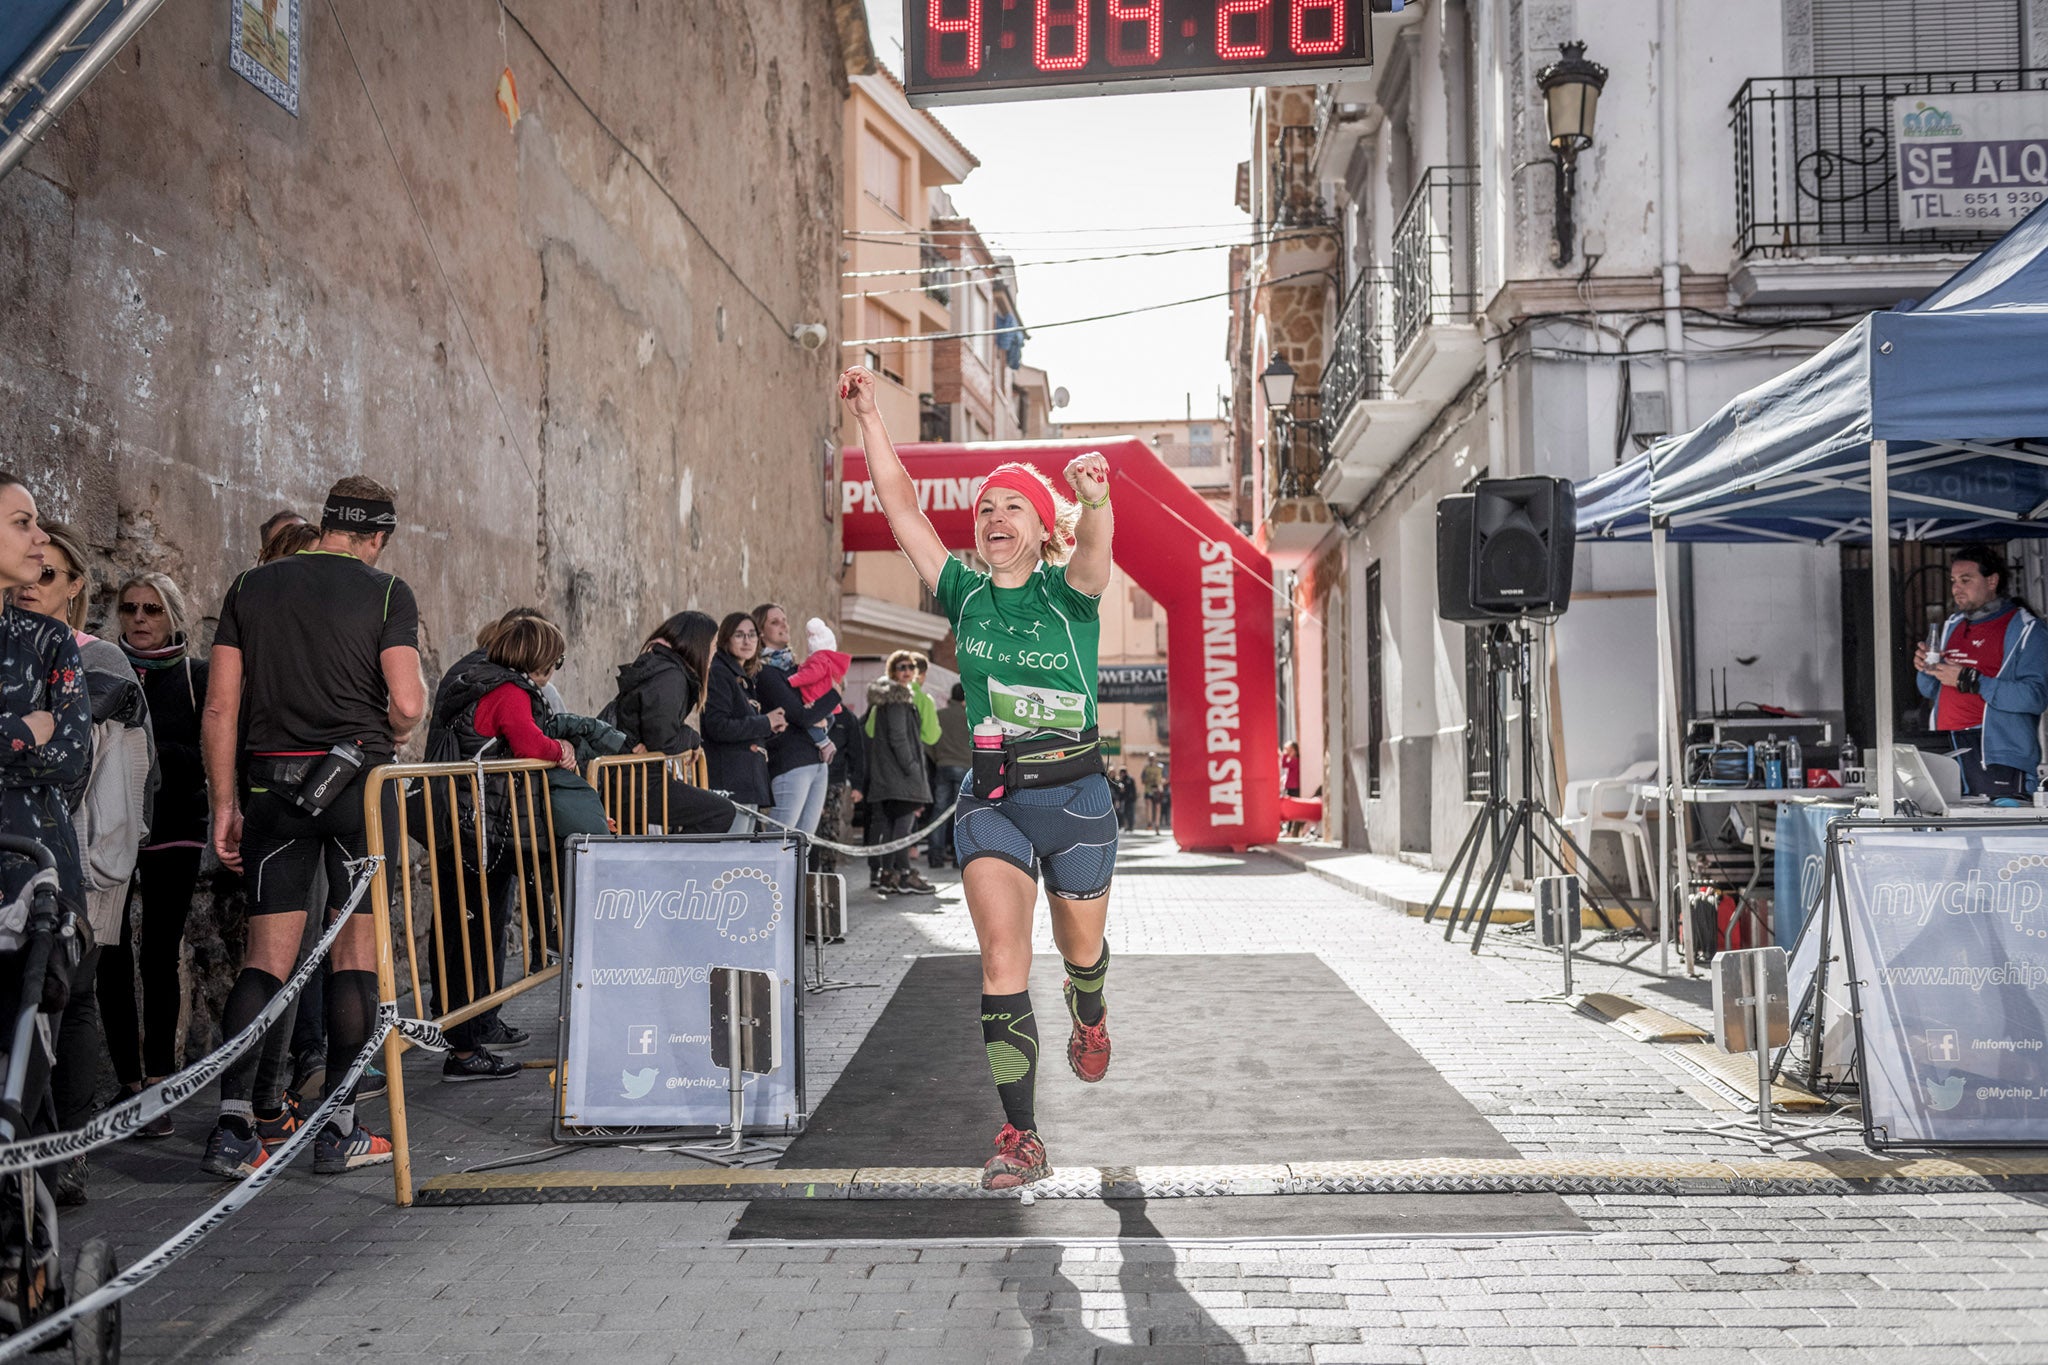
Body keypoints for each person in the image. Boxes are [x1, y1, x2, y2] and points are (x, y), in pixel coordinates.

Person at [842, 365, 1117, 1191]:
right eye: (986, 508)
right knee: (1003, 958)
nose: (996, 517)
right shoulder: (962, 593)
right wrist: (868, 417)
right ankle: (1022, 1136)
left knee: (1082, 953)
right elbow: (901, 509)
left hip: (1075, 799)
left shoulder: (1070, 595)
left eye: (1013, 507)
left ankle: (1091, 1009)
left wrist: (1095, 499)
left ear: (1041, 526)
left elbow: (1099, 556)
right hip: (992, 801)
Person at [200, 475, 426, 1178]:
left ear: (326, 523)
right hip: (358, 787)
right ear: (377, 537)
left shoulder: (250, 586)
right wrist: (381, 725)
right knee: (353, 954)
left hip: (273, 785)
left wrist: (224, 804)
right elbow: (410, 702)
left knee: (265, 956)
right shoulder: (387, 592)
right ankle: (339, 1128)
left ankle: (234, 1127)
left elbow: (219, 708)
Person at [15, 521, 149, 1204]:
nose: (35, 586)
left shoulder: (99, 660)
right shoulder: (22, 647)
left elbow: (112, 779)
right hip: (26, 852)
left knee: (74, 996)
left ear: (74, 589)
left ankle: (67, 1151)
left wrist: (102, 871)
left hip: (86, 855)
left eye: (51, 576)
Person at [106, 571, 209, 1139]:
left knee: (159, 954)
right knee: (111, 955)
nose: (140, 619)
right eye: (129, 609)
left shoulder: (196, 678)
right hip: (114, 832)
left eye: (151, 609)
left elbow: (206, 749)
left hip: (175, 826)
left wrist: (143, 746)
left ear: (172, 615)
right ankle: (127, 1082)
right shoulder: (103, 668)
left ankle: (160, 1083)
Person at [1914, 544, 2048, 801]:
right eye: (1953, 581)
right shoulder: (1952, 624)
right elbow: (1930, 690)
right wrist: (1924, 669)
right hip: (1947, 748)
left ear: (1992, 581)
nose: (1956, 588)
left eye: (1966, 580)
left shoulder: (2026, 629)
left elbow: (2035, 697)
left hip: (1997, 754)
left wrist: (1970, 680)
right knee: (1951, 837)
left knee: (2001, 836)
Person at [605, 610, 740, 835]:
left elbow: (659, 732)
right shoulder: (669, 676)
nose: (714, 651)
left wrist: (677, 737)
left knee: (634, 856)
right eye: (713, 644)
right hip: (638, 784)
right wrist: (693, 739)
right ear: (699, 643)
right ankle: (677, 866)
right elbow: (664, 740)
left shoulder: (662, 669)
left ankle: (670, 863)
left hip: (631, 779)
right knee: (721, 811)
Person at [751, 603, 843, 838]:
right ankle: (768, 876)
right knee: (780, 837)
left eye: (784, 619)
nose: (783, 624)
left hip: (816, 761)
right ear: (761, 633)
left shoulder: (794, 669)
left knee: (804, 841)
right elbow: (801, 716)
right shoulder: (767, 673)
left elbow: (816, 715)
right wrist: (835, 694)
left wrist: (821, 711)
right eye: (774, 622)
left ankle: (794, 877)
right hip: (790, 761)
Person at [863, 652, 935, 898]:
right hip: (900, 777)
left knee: (893, 828)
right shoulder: (897, 701)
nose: (906, 671)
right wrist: (913, 768)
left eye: (910, 667)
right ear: (892, 671)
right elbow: (899, 739)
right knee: (902, 829)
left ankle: (889, 874)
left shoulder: (895, 700)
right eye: (901, 667)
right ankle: (903, 874)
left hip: (890, 777)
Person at [701, 612, 782, 817]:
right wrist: (765, 722)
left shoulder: (741, 675)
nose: (747, 641)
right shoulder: (719, 673)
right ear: (726, 639)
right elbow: (718, 726)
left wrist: (770, 726)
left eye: (752, 634)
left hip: (746, 779)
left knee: (743, 847)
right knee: (734, 847)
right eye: (739, 635)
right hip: (731, 779)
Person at [817, 703, 867, 877]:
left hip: (835, 780)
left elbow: (857, 753)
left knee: (831, 828)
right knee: (810, 829)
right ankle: (807, 871)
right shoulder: (809, 709)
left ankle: (829, 874)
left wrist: (857, 785)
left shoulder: (847, 717)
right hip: (809, 777)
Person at [926, 682, 972, 868]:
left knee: (939, 811)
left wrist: (938, 758)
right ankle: (956, 856)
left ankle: (935, 856)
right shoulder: (971, 717)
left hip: (943, 767)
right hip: (966, 769)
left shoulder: (939, 715)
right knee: (960, 814)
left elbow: (928, 743)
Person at [1140, 754, 1165, 834]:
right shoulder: (1146, 768)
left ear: (1156, 759)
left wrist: (1160, 783)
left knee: (1158, 807)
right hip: (1148, 789)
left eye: (1153, 758)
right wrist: (1147, 781)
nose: (1152, 760)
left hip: (1158, 789)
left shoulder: (1160, 767)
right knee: (1149, 805)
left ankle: (1157, 825)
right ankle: (1149, 822)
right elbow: (1142, 780)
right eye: (1150, 758)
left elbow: (1165, 778)